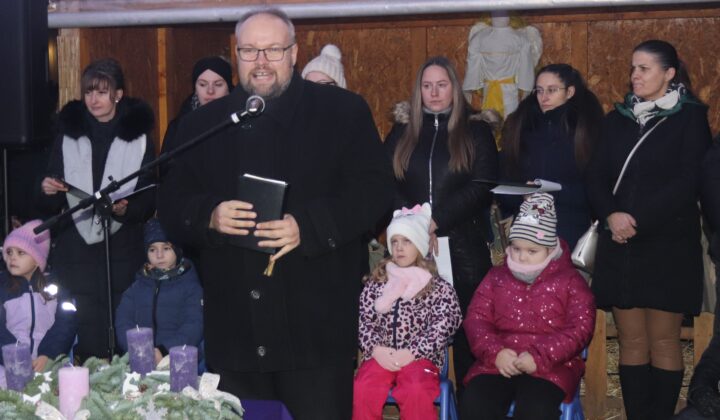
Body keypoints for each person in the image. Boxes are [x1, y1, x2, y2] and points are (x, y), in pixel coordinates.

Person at [157, 8, 393, 420]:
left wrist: (308, 226)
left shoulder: (343, 112)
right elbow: (171, 203)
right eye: (250, 50)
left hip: (316, 331)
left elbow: (374, 193)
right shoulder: (203, 124)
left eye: (273, 50)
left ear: (294, 53)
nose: (261, 61)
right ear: (236, 54)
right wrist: (209, 215)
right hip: (237, 333)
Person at [586, 39, 712, 420]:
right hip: (621, 244)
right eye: (633, 68)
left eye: (644, 68)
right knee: (632, 340)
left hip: (668, 244)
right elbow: (595, 176)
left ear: (669, 73)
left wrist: (634, 221)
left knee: (664, 341)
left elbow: (689, 182)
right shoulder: (616, 119)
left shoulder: (690, 118)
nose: (635, 76)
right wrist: (612, 215)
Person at [384, 55, 498, 392]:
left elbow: (484, 183)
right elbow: (383, 181)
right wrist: (413, 225)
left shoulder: (476, 130)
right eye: (427, 86)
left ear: (455, 88)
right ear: (418, 90)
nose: (434, 93)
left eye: (442, 85)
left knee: (468, 331)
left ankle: (471, 404)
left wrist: (436, 221)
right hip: (410, 247)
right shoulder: (402, 131)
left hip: (464, 247)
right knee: (412, 327)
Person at [37, 58, 156, 361]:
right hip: (77, 248)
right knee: (84, 325)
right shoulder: (68, 134)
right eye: (89, 92)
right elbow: (52, 189)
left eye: (102, 92)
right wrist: (49, 189)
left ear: (118, 94)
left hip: (122, 247)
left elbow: (149, 193)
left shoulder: (139, 138)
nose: (94, 99)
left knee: (122, 321)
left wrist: (127, 209)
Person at [460, 193, 595, 419]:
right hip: (500, 361)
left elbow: (580, 328)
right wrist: (495, 353)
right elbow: (476, 319)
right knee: (475, 402)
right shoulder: (496, 277)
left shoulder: (570, 281)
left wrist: (540, 357)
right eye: (516, 248)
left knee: (536, 408)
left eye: (532, 251)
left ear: (550, 249)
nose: (522, 257)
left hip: (552, 365)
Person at [353, 203, 462, 420]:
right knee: (364, 386)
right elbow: (364, 322)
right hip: (382, 356)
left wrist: (413, 351)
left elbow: (445, 323)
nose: (399, 248)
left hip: (420, 359)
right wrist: (375, 349)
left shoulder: (438, 287)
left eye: (407, 241)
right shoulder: (377, 284)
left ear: (420, 244)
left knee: (416, 389)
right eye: (394, 241)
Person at [499, 63, 604, 248]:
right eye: (539, 91)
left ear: (570, 92)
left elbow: (596, 190)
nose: (544, 97)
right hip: (527, 233)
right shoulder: (522, 126)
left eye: (552, 90)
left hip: (568, 231)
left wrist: (550, 193)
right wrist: (522, 193)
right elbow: (505, 181)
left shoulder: (585, 131)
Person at [115, 218, 203, 365]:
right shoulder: (137, 288)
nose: (159, 255)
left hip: (179, 363)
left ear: (177, 250)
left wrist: (164, 350)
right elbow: (123, 322)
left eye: (166, 248)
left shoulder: (191, 288)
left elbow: (194, 326)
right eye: (152, 249)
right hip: (141, 359)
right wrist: (137, 349)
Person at [0, 220, 77, 382]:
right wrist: (17, 356)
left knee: (66, 383)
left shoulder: (56, 287)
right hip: (9, 363)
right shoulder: (2, 287)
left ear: (37, 259)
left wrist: (48, 354)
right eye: (9, 252)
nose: (12, 258)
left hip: (49, 361)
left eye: (20, 253)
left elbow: (66, 323)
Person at [463, 11, 542, 122]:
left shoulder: (479, 38)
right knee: (493, 121)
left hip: (503, 90)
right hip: (497, 90)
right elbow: (526, 72)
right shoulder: (521, 39)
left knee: (505, 120)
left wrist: (469, 89)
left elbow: (472, 69)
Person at [160, 56, 233, 177]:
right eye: (203, 84)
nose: (210, 91)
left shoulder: (243, 121)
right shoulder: (179, 126)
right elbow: (167, 173)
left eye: (218, 84)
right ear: (195, 88)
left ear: (229, 88)